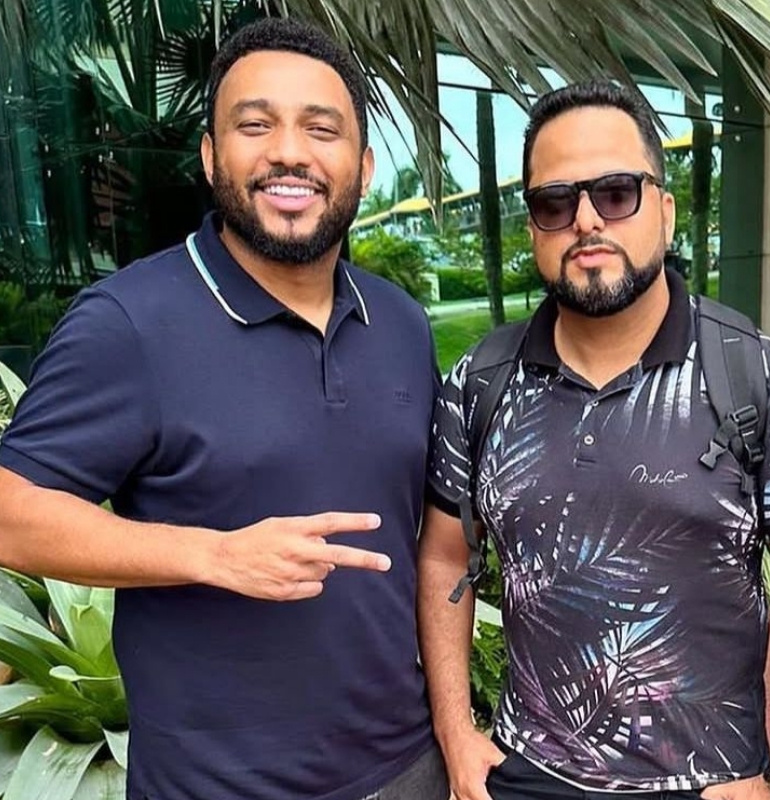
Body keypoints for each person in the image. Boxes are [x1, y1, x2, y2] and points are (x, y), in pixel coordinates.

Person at [0, 18, 447, 800]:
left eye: (321, 129)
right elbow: (10, 514)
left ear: (364, 166)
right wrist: (213, 554)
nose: (289, 152)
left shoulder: (402, 324)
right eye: (255, 125)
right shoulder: (129, 323)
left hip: (406, 768)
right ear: (212, 157)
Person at [417, 80, 770, 800]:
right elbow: (444, 558)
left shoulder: (752, 374)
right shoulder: (482, 383)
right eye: (555, 202)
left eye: (616, 192)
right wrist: (455, 729)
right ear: (533, 227)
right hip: (526, 775)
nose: (587, 220)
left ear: (665, 208)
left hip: (711, 784)